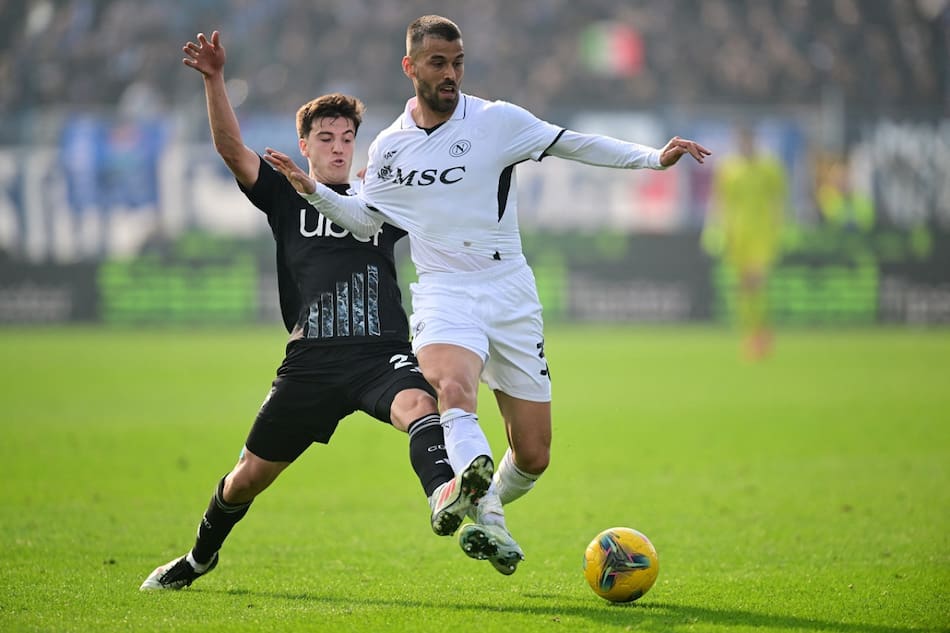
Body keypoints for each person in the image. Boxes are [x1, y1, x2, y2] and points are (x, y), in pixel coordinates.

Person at [263, 15, 711, 576]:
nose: (450, 73)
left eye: (457, 62)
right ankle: (480, 500)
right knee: (451, 386)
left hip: (509, 292)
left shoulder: (498, 121)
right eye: (437, 63)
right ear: (410, 68)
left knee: (533, 454)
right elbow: (364, 220)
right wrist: (315, 193)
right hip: (444, 293)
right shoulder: (390, 149)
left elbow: (574, 144)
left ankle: (486, 502)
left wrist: (652, 158)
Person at [140, 30, 493, 591]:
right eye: (325, 138)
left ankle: (443, 497)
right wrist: (214, 79)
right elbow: (232, 150)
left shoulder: (378, 198)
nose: (337, 147)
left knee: (421, 405)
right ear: (303, 145)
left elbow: (441, 206)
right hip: (311, 363)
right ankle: (199, 558)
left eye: (346, 138)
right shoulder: (283, 193)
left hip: (379, 354)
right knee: (245, 480)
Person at [709, 124, 786, 360]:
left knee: (756, 281)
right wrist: (717, 232)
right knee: (744, 288)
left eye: (748, 140)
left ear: (754, 140)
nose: (744, 145)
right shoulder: (728, 168)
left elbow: (778, 199)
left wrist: (779, 229)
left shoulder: (769, 167)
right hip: (737, 235)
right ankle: (752, 333)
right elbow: (720, 201)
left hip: (762, 234)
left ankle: (761, 334)